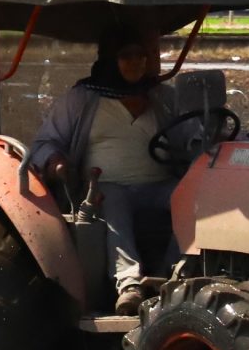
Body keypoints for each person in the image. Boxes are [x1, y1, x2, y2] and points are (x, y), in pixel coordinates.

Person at [28, 25, 201, 313]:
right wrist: (56, 162)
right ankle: (129, 284)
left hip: (159, 187)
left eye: (140, 55)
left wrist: (207, 140)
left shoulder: (162, 97)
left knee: (194, 199)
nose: (136, 62)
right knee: (114, 200)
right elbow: (45, 141)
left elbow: (191, 135)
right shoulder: (83, 98)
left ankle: (172, 276)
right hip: (105, 188)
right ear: (110, 59)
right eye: (126, 56)